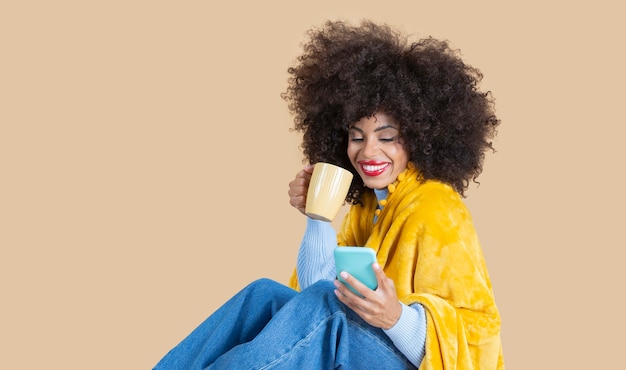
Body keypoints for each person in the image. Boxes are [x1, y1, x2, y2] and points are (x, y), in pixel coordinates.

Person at [153, 19, 503, 369]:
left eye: (386, 137)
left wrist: (395, 317)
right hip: (361, 347)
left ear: (419, 138)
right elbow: (309, 302)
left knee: (326, 306)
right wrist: (318, 217)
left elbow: (479, 333)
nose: (368, 152)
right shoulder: (369, 207)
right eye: (356, 136)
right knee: (264, 295)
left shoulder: (436, 206)